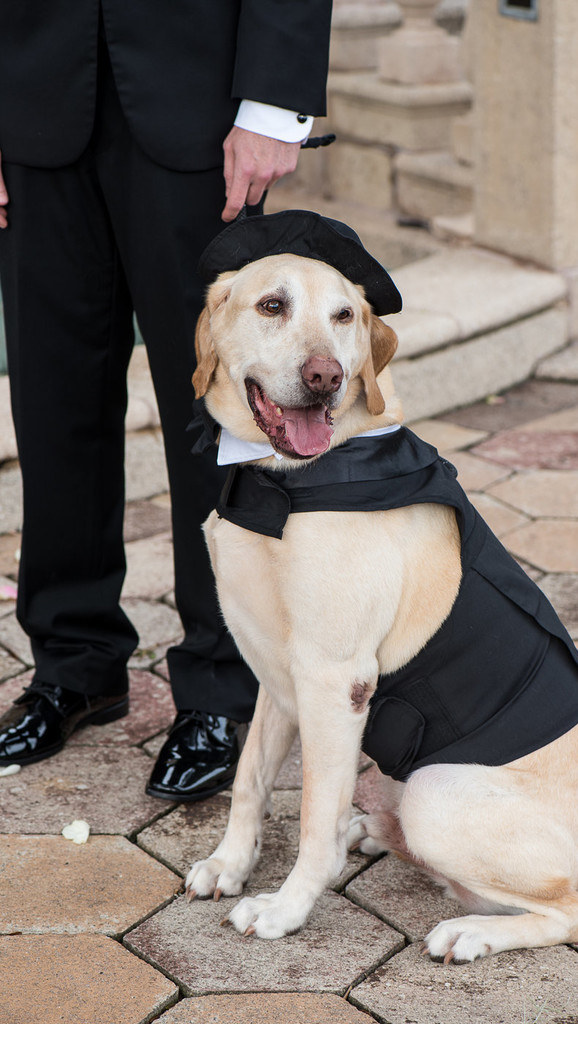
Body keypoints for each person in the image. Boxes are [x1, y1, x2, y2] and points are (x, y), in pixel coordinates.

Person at [0, 0, 333, 800]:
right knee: (53, 400)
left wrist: (272, 103)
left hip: (204, 109)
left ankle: (223, 686)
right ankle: (75, 665)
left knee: (214, 411)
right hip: (30, 100)